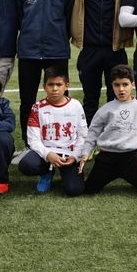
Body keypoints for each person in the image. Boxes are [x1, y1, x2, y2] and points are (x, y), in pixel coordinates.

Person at [19, 0, 135, 125]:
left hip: (115, 49)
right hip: (89, 49)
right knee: (90, 100)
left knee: (117, 99)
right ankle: (88, 141)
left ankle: (115, 141)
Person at [17, 0, 74, 146]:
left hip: (56, 50)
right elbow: (18, 17)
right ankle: (28, 143)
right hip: (28, 52)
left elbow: (70, 17)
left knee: (60, 99)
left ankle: (62, 141)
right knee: (27, 101)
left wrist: (60, 36)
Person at [79, 65, 137, 195]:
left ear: (132, 85)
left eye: (125, 84)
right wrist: (85, 153)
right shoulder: (105, 109)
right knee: (88, 190)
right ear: (112, 86)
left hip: (132, 158)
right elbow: (92, 134)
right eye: (117, 85)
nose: (121, 89)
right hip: (107, 157)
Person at [18, 68, 87, 196]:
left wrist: (75, 155)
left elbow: (83, 134)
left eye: (59, 84)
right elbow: (33, 139)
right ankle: (46, 172)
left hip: (68, 153)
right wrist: (48, 154)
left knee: (74, 190)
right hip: (47, 151)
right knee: (27, 165)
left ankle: (68, 173)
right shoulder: (37, 107)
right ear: (44, 86)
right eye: (51, 84)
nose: (55, 89)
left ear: (67, 86)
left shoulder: (76, 105)